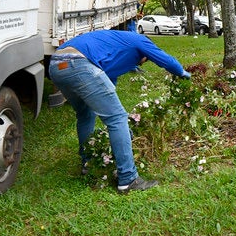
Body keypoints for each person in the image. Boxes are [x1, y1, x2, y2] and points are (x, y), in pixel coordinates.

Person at [48, 29, 190, 193]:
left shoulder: (118, 43)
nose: (140, 64)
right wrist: (183, 73)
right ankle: (128, 179)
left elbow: (107, 81)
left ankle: (88, 164)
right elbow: (166, 60)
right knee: (117, 118)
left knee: (85, 114)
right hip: (79, 64)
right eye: (143, 61)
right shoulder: (140, 40)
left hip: (57, 65)